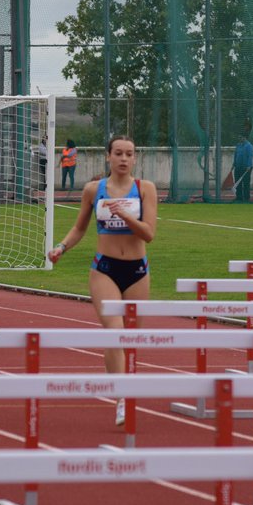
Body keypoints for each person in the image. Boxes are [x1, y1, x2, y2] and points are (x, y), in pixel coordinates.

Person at [47, 136, 157, 426]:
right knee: (114, 332)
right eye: (118, 153)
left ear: (135, 158)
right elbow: (79, 228)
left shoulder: (144, 189)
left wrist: (125, 215)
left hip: (137, 271)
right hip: (104, 269)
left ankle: (127, 391)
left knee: (131, 340)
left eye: (129, 154)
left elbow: (148, 233)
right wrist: (61, 247)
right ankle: (122, 399)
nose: (123, 158)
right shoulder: (93, 190)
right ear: (108, 157)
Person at [232, 133, 253, 202]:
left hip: (246, 167)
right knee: (238, 182)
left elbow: (250, 156)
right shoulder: (238, 145)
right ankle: (239, 197)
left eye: (241, 137)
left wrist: (249, 165)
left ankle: (246, 197)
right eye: (239, 137)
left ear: (245, 137)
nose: (239, 139)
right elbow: (236, 155)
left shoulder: (249, 146)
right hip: (238, 167)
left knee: (246, 182)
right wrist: (233, 164)